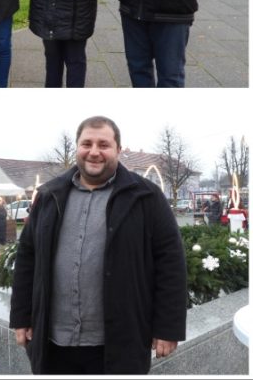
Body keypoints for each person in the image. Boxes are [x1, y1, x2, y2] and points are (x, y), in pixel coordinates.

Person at [10, 116, 187, 374]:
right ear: (77, 148)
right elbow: (27, 257)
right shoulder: (50, 195)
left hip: (118, 344)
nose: (94, 152)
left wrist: (167, 329)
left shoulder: (146, 197)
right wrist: (22, 318)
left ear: (118, 149)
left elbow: (171, 263)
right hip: (53, 341)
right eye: (87, 144)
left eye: (103, 144)